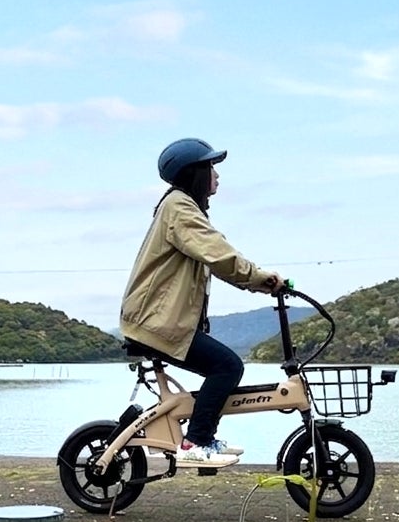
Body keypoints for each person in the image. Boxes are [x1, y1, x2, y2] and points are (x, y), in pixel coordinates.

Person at [120, 138, 283, 467]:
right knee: (227, 366)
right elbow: (218, 254)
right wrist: (262, 279)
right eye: (211, 168)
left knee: (223, 367)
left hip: (159, 321)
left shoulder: (180, 206)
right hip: (156, 323)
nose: (217, 175)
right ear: (194, 172)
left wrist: (257, 282)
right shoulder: (180, 208)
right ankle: (196, 441)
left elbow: (215, 257)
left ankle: (202, 436)